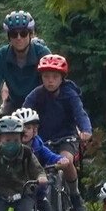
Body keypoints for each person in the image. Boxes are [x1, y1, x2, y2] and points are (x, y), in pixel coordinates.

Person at [20, 54, 91, 188]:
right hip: (42, 140)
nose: (50, 81)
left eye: (55, 77)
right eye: (46, 76)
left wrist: (86, 130)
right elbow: (23, 115)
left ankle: (74, 194)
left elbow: (80, 113)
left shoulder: (70, 94)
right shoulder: (35, 95)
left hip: (66, 138)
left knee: (66, 162)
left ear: (62, 78)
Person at [0, 10, 52, 116]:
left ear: (30, 35)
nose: (19, 38)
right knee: (2, 126)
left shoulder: (43, 54)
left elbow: (53, 82)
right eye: (14, 34)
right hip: (14, 104)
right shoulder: (0, 56)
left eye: (23, 33)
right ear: (9, 37)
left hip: (41, 103)